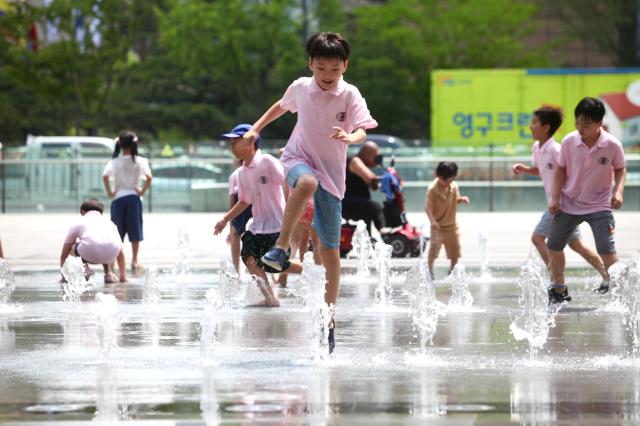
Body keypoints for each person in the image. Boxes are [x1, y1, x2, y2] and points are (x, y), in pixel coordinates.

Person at [243, 32, 378, 352]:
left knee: (330, 252)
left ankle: (328, 319)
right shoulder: (302, 87)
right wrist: (256, 127)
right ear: (310, 64)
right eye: (320, 69)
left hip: (333, 177)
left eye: (334, 69)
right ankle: (280, 248)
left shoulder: (350, 94)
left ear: (345, 65)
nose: (327, 77)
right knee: (305, 183)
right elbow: (281, 105)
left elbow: (362, 129)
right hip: (297, 158)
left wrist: (350, 136)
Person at [512, 106, 608, 283]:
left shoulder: (556, 149)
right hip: (558, 204)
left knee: (538, 237)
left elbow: (566, 172)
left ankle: (556, 280)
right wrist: (526, 169)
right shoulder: (537, 148)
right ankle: (607, 274)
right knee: (576, 244)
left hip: (562, 205)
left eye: (534, 122)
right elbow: (543, 170)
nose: (530, 126)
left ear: (546, 127)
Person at [547, 97, 626, 304]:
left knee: (607, 251)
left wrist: (618, 192)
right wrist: (555, 197)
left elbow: (620, 168)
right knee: (554, 245)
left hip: (600, 205)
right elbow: (560, 169)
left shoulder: (611, 144)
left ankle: (621, 293)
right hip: (569, 202)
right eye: (578, 123)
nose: (581, 128)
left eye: (587, 124)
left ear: (600, 124)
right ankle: (559, 288)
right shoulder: (569, 141)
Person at [213, 124, 303, 307]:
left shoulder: (267, 162)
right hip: (258, 226)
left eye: (236, 142)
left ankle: (311, 270)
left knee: (274, 264)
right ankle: (270, 298)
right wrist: (225, 219)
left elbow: (286, 182)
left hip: (277, 225)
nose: (232, 147)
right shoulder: (241, 173)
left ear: (251, 142)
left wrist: (291, 214)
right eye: (230, 143)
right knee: (249, 256)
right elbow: (245, 201)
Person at [102, 130, 152, 277]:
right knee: (135, 231)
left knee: (117, 232)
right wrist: (142, 191)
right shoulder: (140, 160)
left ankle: (113, 263)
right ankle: (134, 261)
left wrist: (110, 192)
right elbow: (149, 177)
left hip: (118, 198)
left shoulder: (114, 161)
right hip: (134, 197)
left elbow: (105, 176)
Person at [59, 198, 126, 283]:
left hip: (89, 252)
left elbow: (64, 252)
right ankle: (109, 273)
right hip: (111, 255)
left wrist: (63, 277)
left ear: (82, 212)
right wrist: (123, 277)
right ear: (101, 213)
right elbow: (120, 251)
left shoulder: (80, 221)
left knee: (72, 245)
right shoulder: (110, 223)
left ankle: (85, 269)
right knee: (105, 243)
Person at [425, 162, 470, 280]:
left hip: (451, 226)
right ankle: (429, 271)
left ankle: (453, 272)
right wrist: (433, 221)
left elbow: (456, 200)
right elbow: (427, 208)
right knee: (433, 251)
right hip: (438, 227)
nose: (447, 183)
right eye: (445, 181)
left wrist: (462, 199)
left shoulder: (454, 186)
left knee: (454, 252)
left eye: (450, 180)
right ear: (438, 176)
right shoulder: (432, 189)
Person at [342, 140, 385, 236]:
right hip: (349, 203)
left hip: (356, 203)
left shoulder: (358, 162)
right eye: (376, 156)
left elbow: (373, 186)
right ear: (367, 155)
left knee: (368, 211)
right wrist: (386, 178)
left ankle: (369, 240)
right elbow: (371, 178)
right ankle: (384, 232)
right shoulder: (355, 161)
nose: (377, 159)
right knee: (375, 207)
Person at [227, 157, 253, 273]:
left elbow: (232, 200)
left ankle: (236, 269)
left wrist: (229, 224)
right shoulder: (253, 172)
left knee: (235, 235)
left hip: (240, 204)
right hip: (254, 204)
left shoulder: (234, 175)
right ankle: (254, 267)